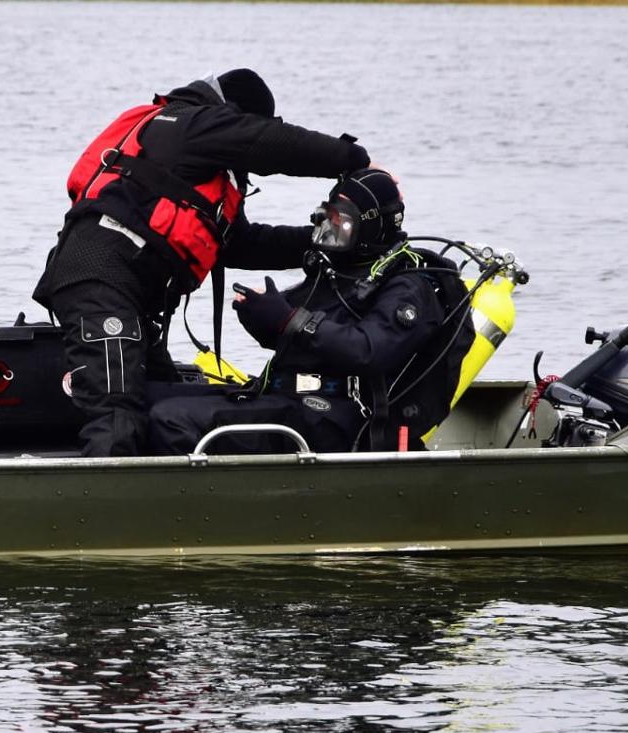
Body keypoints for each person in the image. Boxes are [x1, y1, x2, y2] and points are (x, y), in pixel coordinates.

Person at [34, 68, 387, 456]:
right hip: (100, 279)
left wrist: (323, 241)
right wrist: (354, 161)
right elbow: (272, 144)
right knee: (117, 412)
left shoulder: (189, 156)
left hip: (122, 288)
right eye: (250, 124)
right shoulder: (192, 123)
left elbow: (240, 245)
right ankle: (95, 511)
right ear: (237, 114)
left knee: (162, 403)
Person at [145, 169, 472, 455]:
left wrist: (289, 320)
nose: (332, 230)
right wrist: (262, 318)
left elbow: (367, 350)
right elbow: (302, 338)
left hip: (340, 418)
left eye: (342, 222)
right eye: (330, 218)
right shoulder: (337, 271)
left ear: (373, 225)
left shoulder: (410, 287)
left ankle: (203, 518)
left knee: (172, 420)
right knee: (143, 396)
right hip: (289, 398)